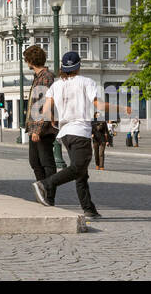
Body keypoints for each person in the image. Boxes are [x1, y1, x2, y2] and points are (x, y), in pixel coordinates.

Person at [32, 51, 117, 219]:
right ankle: (46, 184)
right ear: (79, 66)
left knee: (81, 172)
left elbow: (46, 110)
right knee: (77, 168)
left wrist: (53, 120)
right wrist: (120, 108)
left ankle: (89, 208)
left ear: (63, 68)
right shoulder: (87, 82)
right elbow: (99, 105)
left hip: (65, 134)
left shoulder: (55, 85)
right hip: (80, 132)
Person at [23, 44, 58, 189]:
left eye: (26, 59)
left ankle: (49, 193)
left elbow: (45, 105)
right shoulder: (38, 77)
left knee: (46, 162)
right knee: (35, 162)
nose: (26, 62)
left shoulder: (46, 77)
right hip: (35, 128)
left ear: (31, 60)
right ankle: (43, 188)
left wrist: (38, 129)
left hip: (43, 129)